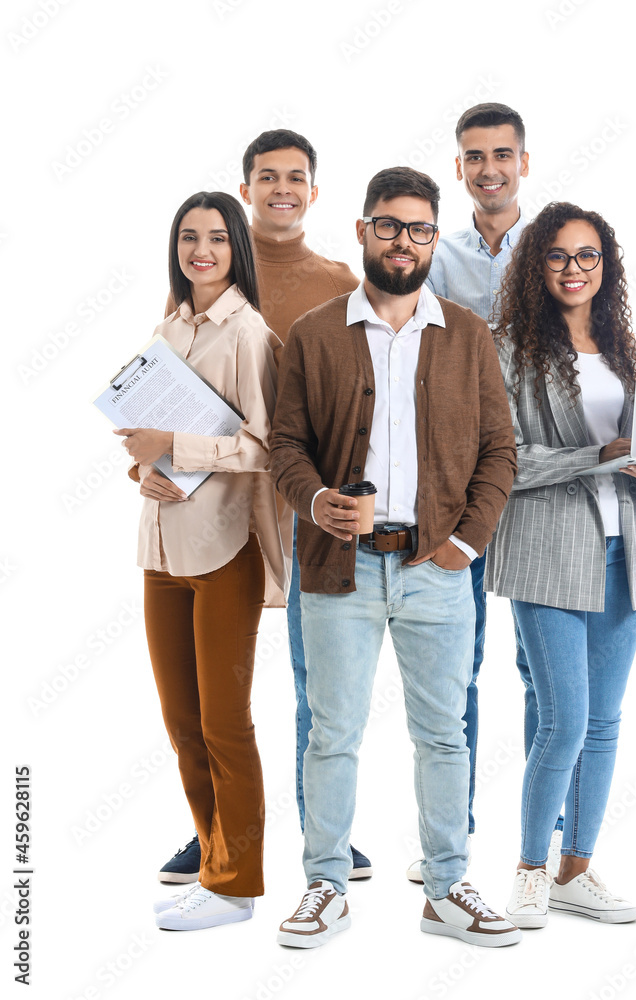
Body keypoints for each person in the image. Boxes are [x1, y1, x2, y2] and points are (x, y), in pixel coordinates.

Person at [270, 166, 520, 948]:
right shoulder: (313, 333)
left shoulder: (467, 334)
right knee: (330, 732)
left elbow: (498, 451)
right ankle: (324, 885)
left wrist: (463, 543)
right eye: (388, 225)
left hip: (435, 569)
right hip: (336, 570)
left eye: (418, 229)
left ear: (431, 239)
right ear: (362, 231)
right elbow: (285, 446)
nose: (403, 241)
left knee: (444, 733)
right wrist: (315, 501)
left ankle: (447, 889)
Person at [157, 130, 371, 884]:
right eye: (266, 176)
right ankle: (217, 837)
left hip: (308, 506)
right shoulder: (199, 288)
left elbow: (359, 393)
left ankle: (325, 829)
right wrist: (153, 463)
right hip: (216, 513)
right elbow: (173, 406)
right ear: (245, 188)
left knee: (318, 679)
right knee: (212, 702)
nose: (281, 188)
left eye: (296, 178)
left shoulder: (341, 280)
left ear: (313, 192)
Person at [485, 202, 636, 928]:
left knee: (602, 722)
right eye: (558, 257)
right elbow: (501, 460)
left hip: (621, 548)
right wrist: (597, 455)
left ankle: (577, 870)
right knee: (562, 722)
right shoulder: (504, 348)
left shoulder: (624, 349)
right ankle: (529, 870)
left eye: (588, 256)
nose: (574, 270)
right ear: (535, 267)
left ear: (606, 266)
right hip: (545, 551)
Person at [117, 191, 287, 930]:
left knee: (225, 724)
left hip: (224, 550)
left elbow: (266, 446)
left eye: (217, 238)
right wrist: (143, 469)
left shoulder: (248, 334)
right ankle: (212, 868)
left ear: (235, 248)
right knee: (181, 721)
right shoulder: (167, 326)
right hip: (161, 545)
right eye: (189, 237)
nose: (201, 251)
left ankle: (236, 885)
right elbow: (143, 435)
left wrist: (175, 449)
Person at [404, 103, 562, 880]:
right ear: (458, 166)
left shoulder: (558, 250)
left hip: (542, 481)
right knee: (452, 667)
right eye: (474, 156)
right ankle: (450, 835)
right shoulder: (436, 257)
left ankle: (551, 839)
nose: (488, 168)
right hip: (460, 481)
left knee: (542, 672)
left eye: (502, 154)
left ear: (523, 162)